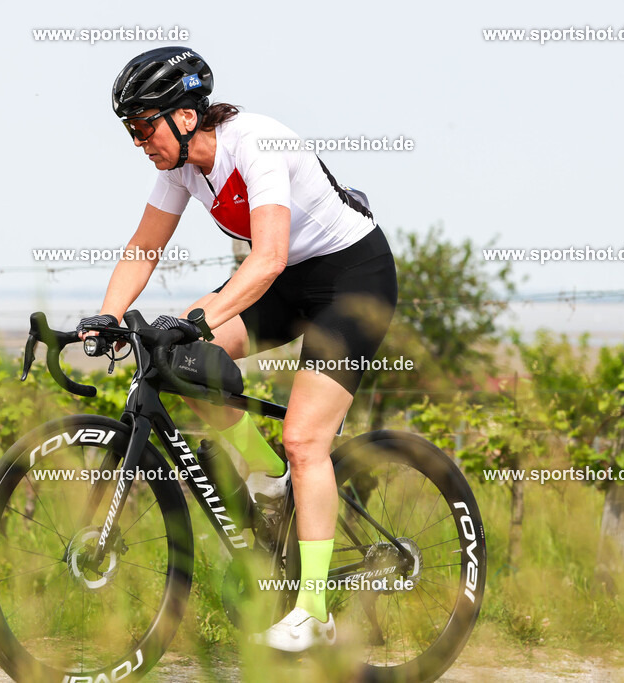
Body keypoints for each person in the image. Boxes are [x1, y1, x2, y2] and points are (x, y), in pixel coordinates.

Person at [79, 46, 397, 652]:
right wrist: (108, 315)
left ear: (185, 115)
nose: (139, 139)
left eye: (144, 125)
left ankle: (314, 610)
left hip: (351, 281)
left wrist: (195, 316)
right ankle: (269, 482)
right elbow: (144, 247)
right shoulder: (177, 170)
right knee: (182, 361)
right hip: (282, 284)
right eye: (131, 129)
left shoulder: (257, 143)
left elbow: (270, 255)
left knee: (306, 439)